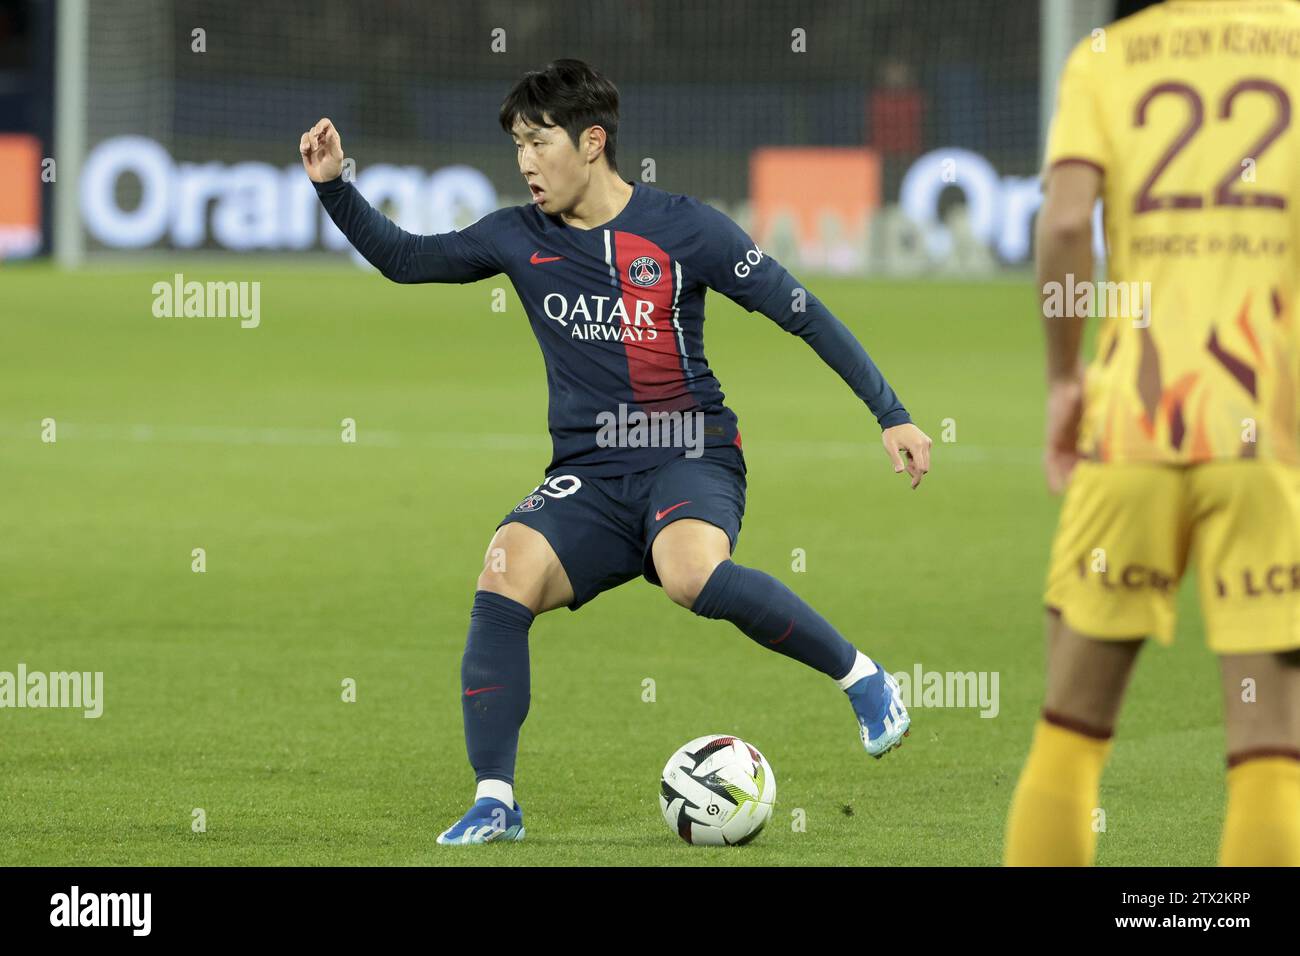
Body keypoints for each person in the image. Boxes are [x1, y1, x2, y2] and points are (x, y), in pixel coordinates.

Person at [300, 59, 931, 846]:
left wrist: (890, 413)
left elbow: (800, 311)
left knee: (689, 573)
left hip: (687, 450)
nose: (526, 162)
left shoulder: (685, 229)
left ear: (591, 141)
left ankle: (863, 679)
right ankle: (496, 800)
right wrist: (334, 186)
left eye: (539, 142)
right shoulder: (515, 236)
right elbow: (406, 258)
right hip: (588, 478)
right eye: (517, 147)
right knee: (504, 570)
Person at [1006, 0, 1300, 865]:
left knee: (1071, 725)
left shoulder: (1107, 56)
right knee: (1270, 746)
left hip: (1132, 421)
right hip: (1270, 435)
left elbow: (1064, 225)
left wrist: (1066, 378)